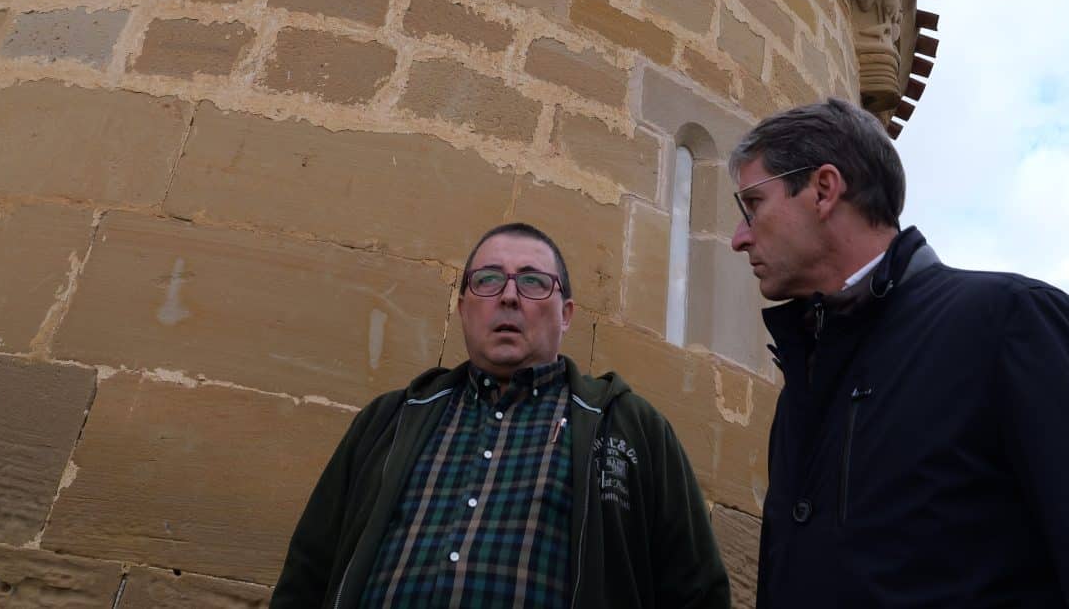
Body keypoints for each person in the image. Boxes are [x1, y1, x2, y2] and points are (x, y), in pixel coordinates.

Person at [727, 100, 1069, 607]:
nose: (740, 238)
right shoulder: (802, 390)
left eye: (752, 205)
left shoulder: (1012, 323)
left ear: (823, 190)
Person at [270, 222, 730, 609]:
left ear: (566, 314)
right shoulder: (390, 420)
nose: (508, 296)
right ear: (463, 306)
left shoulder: (630, 429)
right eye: (488, 280)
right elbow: (309, 573)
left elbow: (696, 591)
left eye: (532, 282)